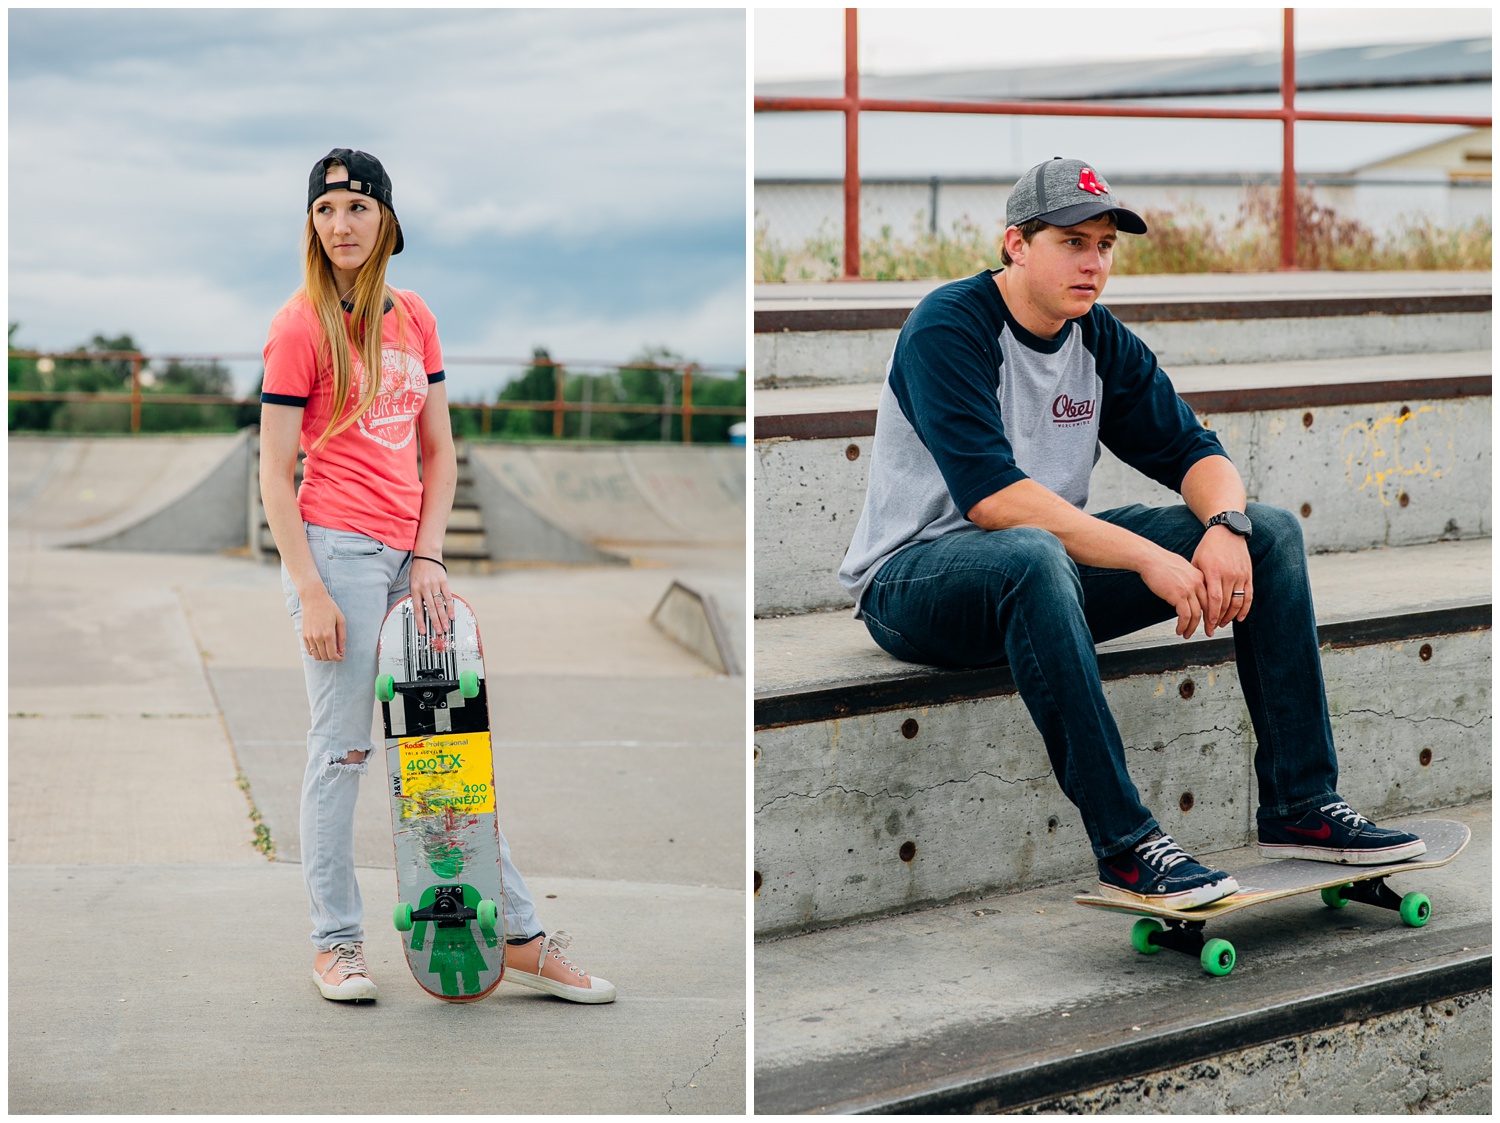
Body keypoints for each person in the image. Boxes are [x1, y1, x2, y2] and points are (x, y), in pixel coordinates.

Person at [838, 156, 1426, 911]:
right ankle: (1127, 845)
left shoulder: (1096, 338)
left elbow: (1195, 451)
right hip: (915, 582)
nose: (1093, 263)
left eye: (1106, 246)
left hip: (1039, 573)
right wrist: (1151, 558)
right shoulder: (949, 327)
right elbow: (992, 500)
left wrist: (1226, 524)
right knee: (1032, 553)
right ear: (1016, 244)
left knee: (1271, 533)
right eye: (1073, 243)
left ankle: (1301, 803)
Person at [260, 147, 615, 1002]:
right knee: (341, 751)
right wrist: (309, 585)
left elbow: (439, 451)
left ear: (386, 218)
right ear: (311, 225)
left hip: (408, 563)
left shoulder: (414, 316)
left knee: (444, 758)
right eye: (324, 211)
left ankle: (520, 936)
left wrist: (429, 554)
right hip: (335, 553)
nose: (340, 225)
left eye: (356, 208)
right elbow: (274, 471)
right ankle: (336, 944)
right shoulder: (299, 325)